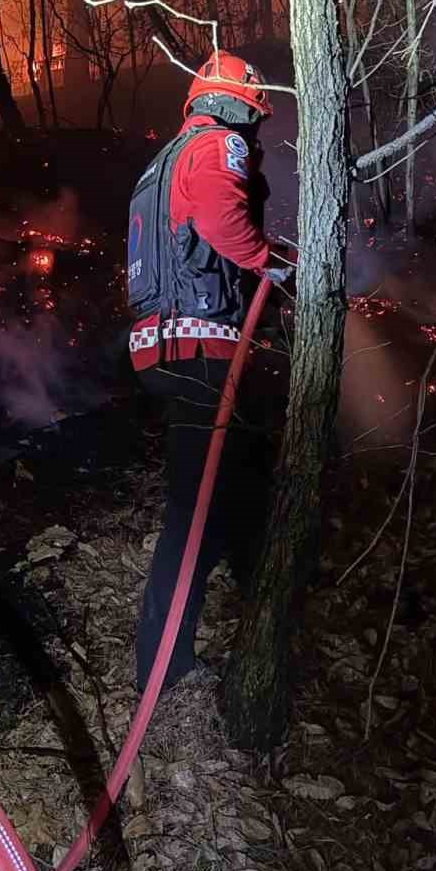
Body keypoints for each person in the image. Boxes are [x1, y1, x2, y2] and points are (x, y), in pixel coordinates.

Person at [125, 51, 291, 695]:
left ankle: (250, 621)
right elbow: (224, 223)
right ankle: (163, 666)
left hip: (164, 344)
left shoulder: (158, 164)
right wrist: (266, 259)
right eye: (253, 117)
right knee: (196, 512)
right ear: (232, 107)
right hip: (203, 346)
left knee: (234, 489)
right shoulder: (218, 144)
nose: (253, 133)